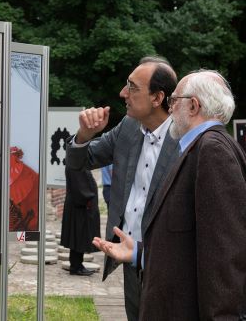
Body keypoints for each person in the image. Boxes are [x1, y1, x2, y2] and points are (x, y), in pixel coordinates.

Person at [93, 70, 246, 320]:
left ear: (194, 106)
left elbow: (225, 255)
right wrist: (137, 254)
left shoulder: (212, 150)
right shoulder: (200, 147)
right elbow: (188, 246)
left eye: (174, 101)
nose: (170, 109)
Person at [66, 56, 179, 320]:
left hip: (168, 264)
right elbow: (79, 161)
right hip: (129, 260)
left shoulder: (184, 137)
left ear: (157, 97)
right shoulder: (128, 127)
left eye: (132, 87)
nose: (122, 93)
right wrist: (84, 134)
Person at [60, 167, 100, 276]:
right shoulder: (75, 162)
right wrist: (89, 197)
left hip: (79, 205)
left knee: (78, 236)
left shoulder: (77, 161)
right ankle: (76, 266)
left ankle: (77, 264)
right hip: (80, 206)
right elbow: (79, 185)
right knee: (78, 236)